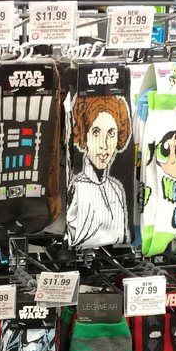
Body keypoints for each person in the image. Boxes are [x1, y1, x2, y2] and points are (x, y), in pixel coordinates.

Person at [67, 94, 130, 248]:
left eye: (111, 133)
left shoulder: (117, 190)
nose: (104, 145)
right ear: (85, 135)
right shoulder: (76, 187)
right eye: (96, 132)